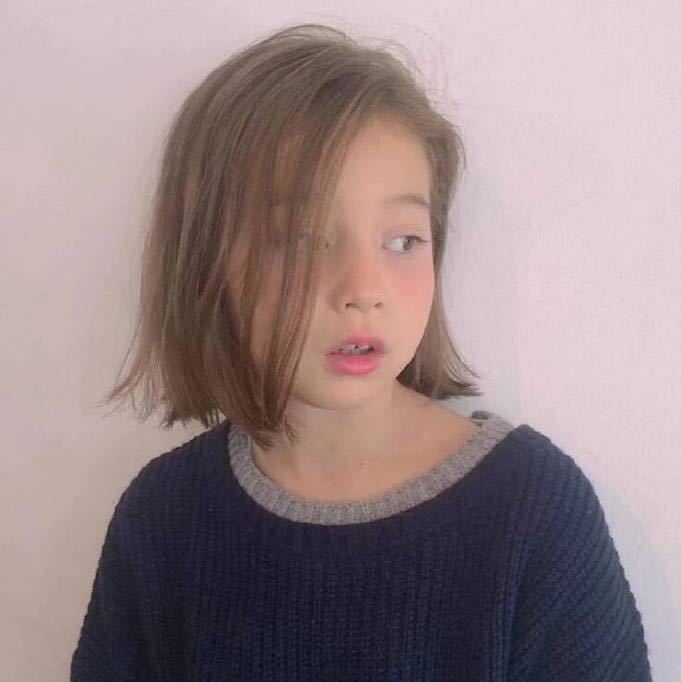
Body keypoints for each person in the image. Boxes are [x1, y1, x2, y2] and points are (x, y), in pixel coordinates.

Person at [70, 23, 652, 680]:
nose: (363, 289)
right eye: (299, 241)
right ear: (208, 262)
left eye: (403, 240)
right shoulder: (163, 517)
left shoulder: (534, 509)